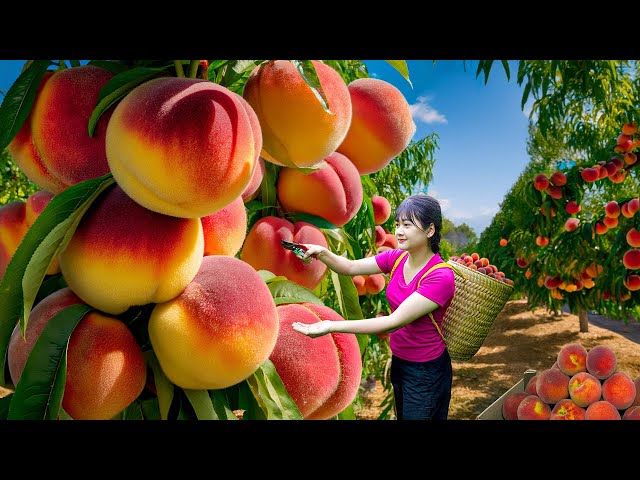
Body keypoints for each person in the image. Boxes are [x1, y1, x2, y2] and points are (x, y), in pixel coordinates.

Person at [292, 193, 456, 420]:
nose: (398, 231)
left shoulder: (440, 277)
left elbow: (393, 321)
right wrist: (324, 253)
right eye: (397, 224)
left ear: (430, 230)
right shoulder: (396, 258)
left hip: (426, 370)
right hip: (401, 362)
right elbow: (349, 267)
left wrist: (331, 325)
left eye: (407, 225)